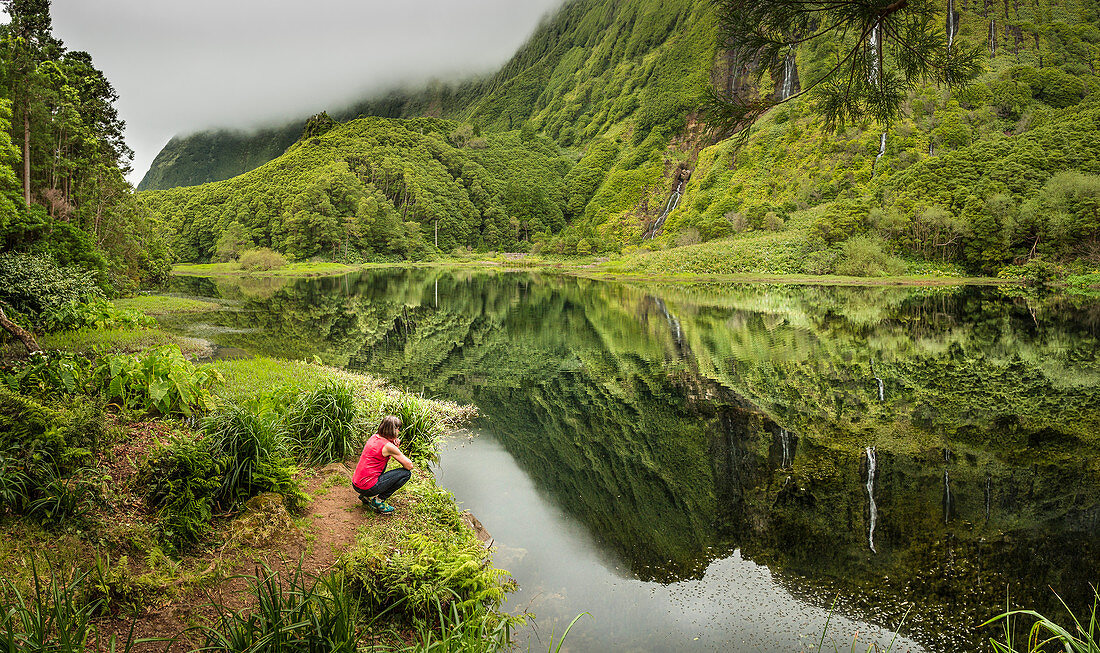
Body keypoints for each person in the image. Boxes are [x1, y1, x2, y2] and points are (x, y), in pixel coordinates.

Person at [352, 415, 413, 514]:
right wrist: (395, 448)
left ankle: (364, 495)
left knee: (377, 464)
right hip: (367, 487)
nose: (399, 432)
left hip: (356, 484)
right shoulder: (388, 446)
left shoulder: (374, 437)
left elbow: (384, 451)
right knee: (406, 473)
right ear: (393, 430)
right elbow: (409, 465)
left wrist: (394, 445)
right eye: (398, 429)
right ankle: (378, 501)